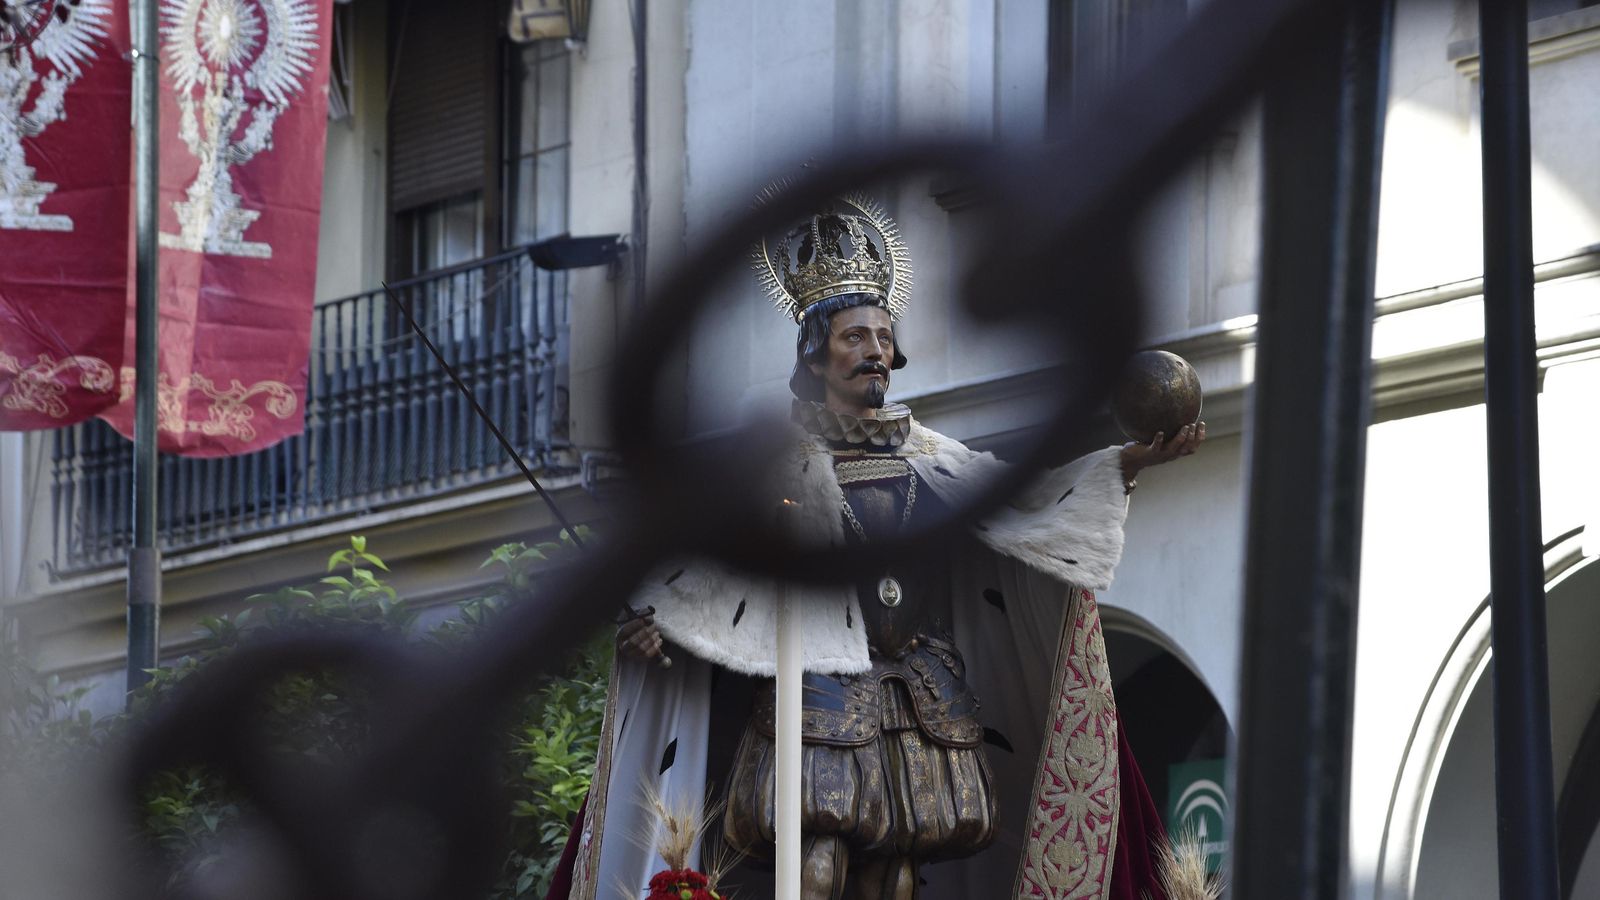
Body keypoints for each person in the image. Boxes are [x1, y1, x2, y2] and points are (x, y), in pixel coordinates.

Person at [559, 194, 1203, 900]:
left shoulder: (935, 459)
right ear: (814, 353)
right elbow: (707, 569)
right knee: (819, 862)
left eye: (883, 336)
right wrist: (656, 623)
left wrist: (1128, 463)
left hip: (917, 689)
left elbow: (1033, 509)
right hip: (814, 692)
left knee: (897, 875)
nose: (876, 352)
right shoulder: (771, 464)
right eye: (854, 337)